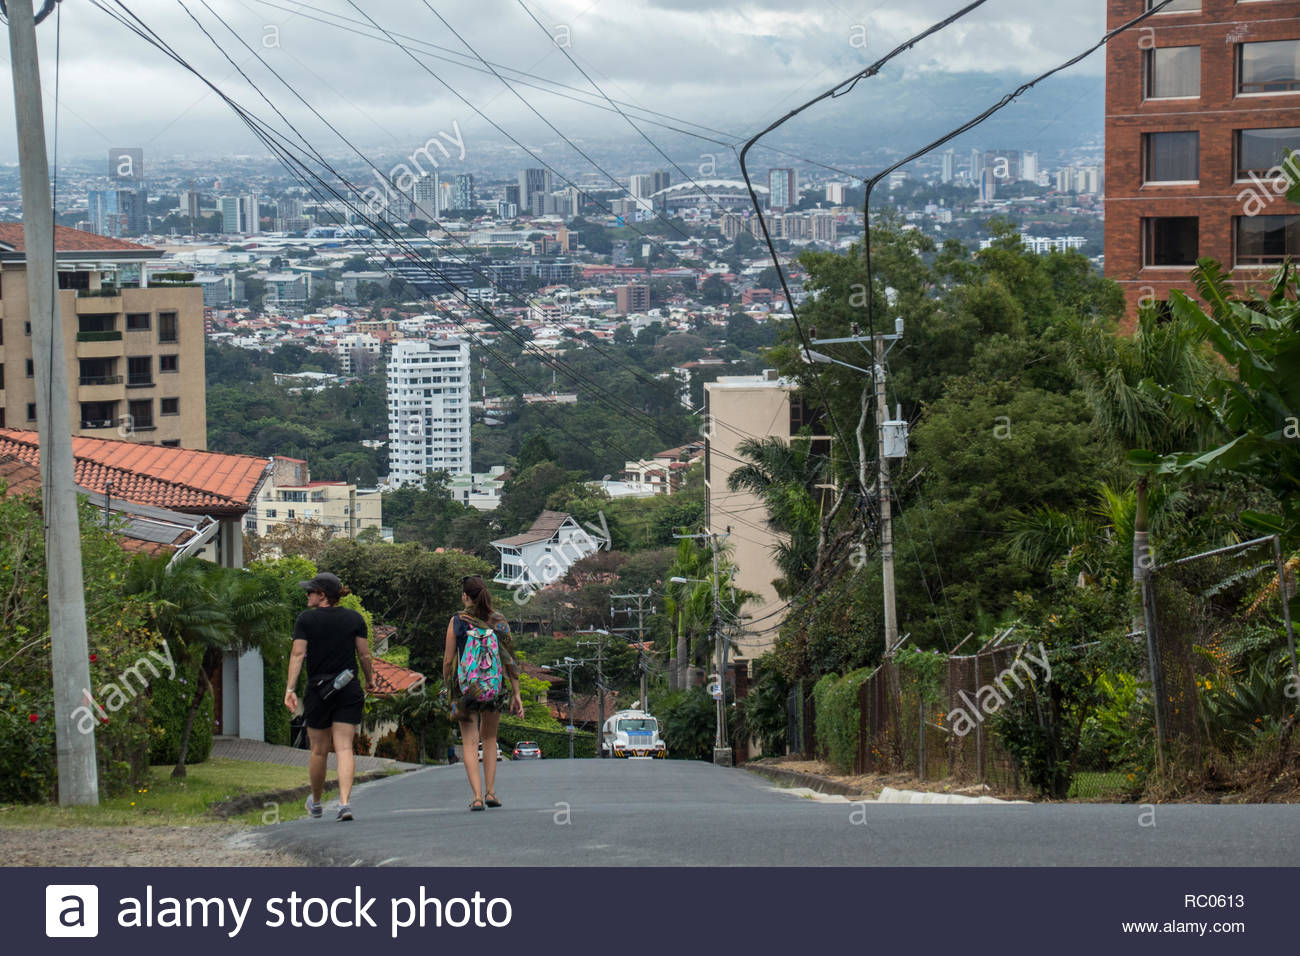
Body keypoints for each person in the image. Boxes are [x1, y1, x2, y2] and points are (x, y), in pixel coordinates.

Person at [284, 571, 375, 822]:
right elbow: (364, 655)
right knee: (345, 747)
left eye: (310, 591)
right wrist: (370, 680)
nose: (307, 595)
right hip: (347, 687)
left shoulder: (305, 620)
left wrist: (290, 689)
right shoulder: (354, 618)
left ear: (322, 595)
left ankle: (315, 802)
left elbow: (298, 654)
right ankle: (344, 803)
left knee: (318, 751)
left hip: (317, 690)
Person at [443, 575, 523, 811]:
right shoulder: (498, 620)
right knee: (489, 739)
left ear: (466, 596)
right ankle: (490, 792)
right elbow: (510, 660)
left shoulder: (457, 621)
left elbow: (448, 660)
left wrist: (447, 686)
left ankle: (476, 797)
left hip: (465, 689)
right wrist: (516, 693)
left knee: (469, 742)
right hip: (493, 689)